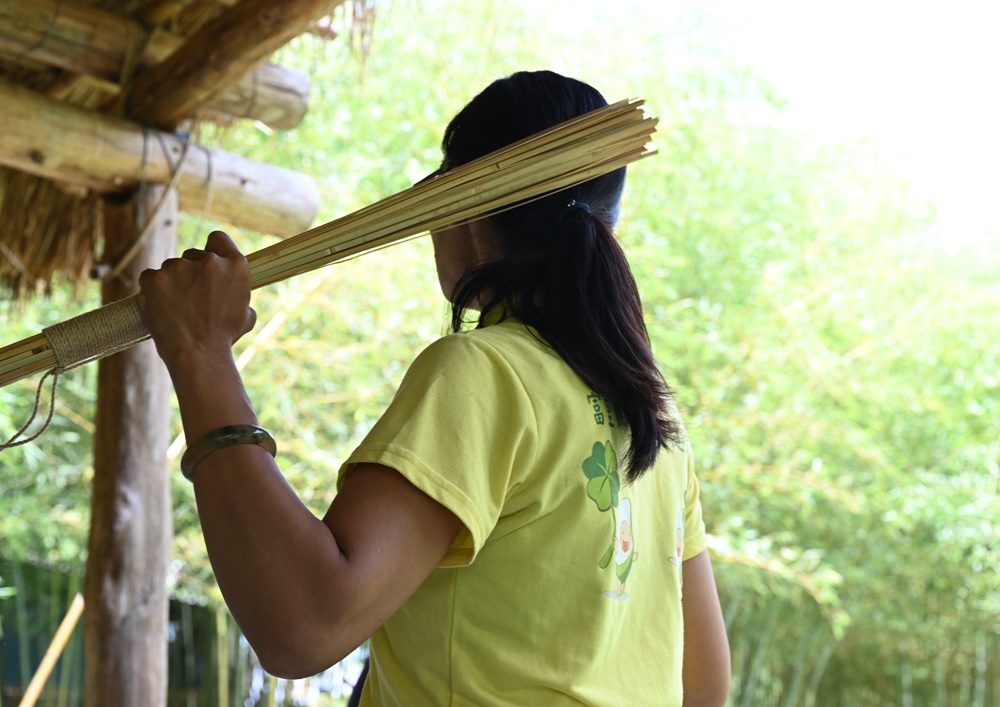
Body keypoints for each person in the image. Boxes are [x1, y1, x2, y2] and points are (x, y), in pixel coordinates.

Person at [138, 70, 730, 706]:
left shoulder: (486, 372)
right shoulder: (655, 416)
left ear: (463, 213)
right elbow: (705, 687)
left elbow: (303, 625)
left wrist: (201, 356)